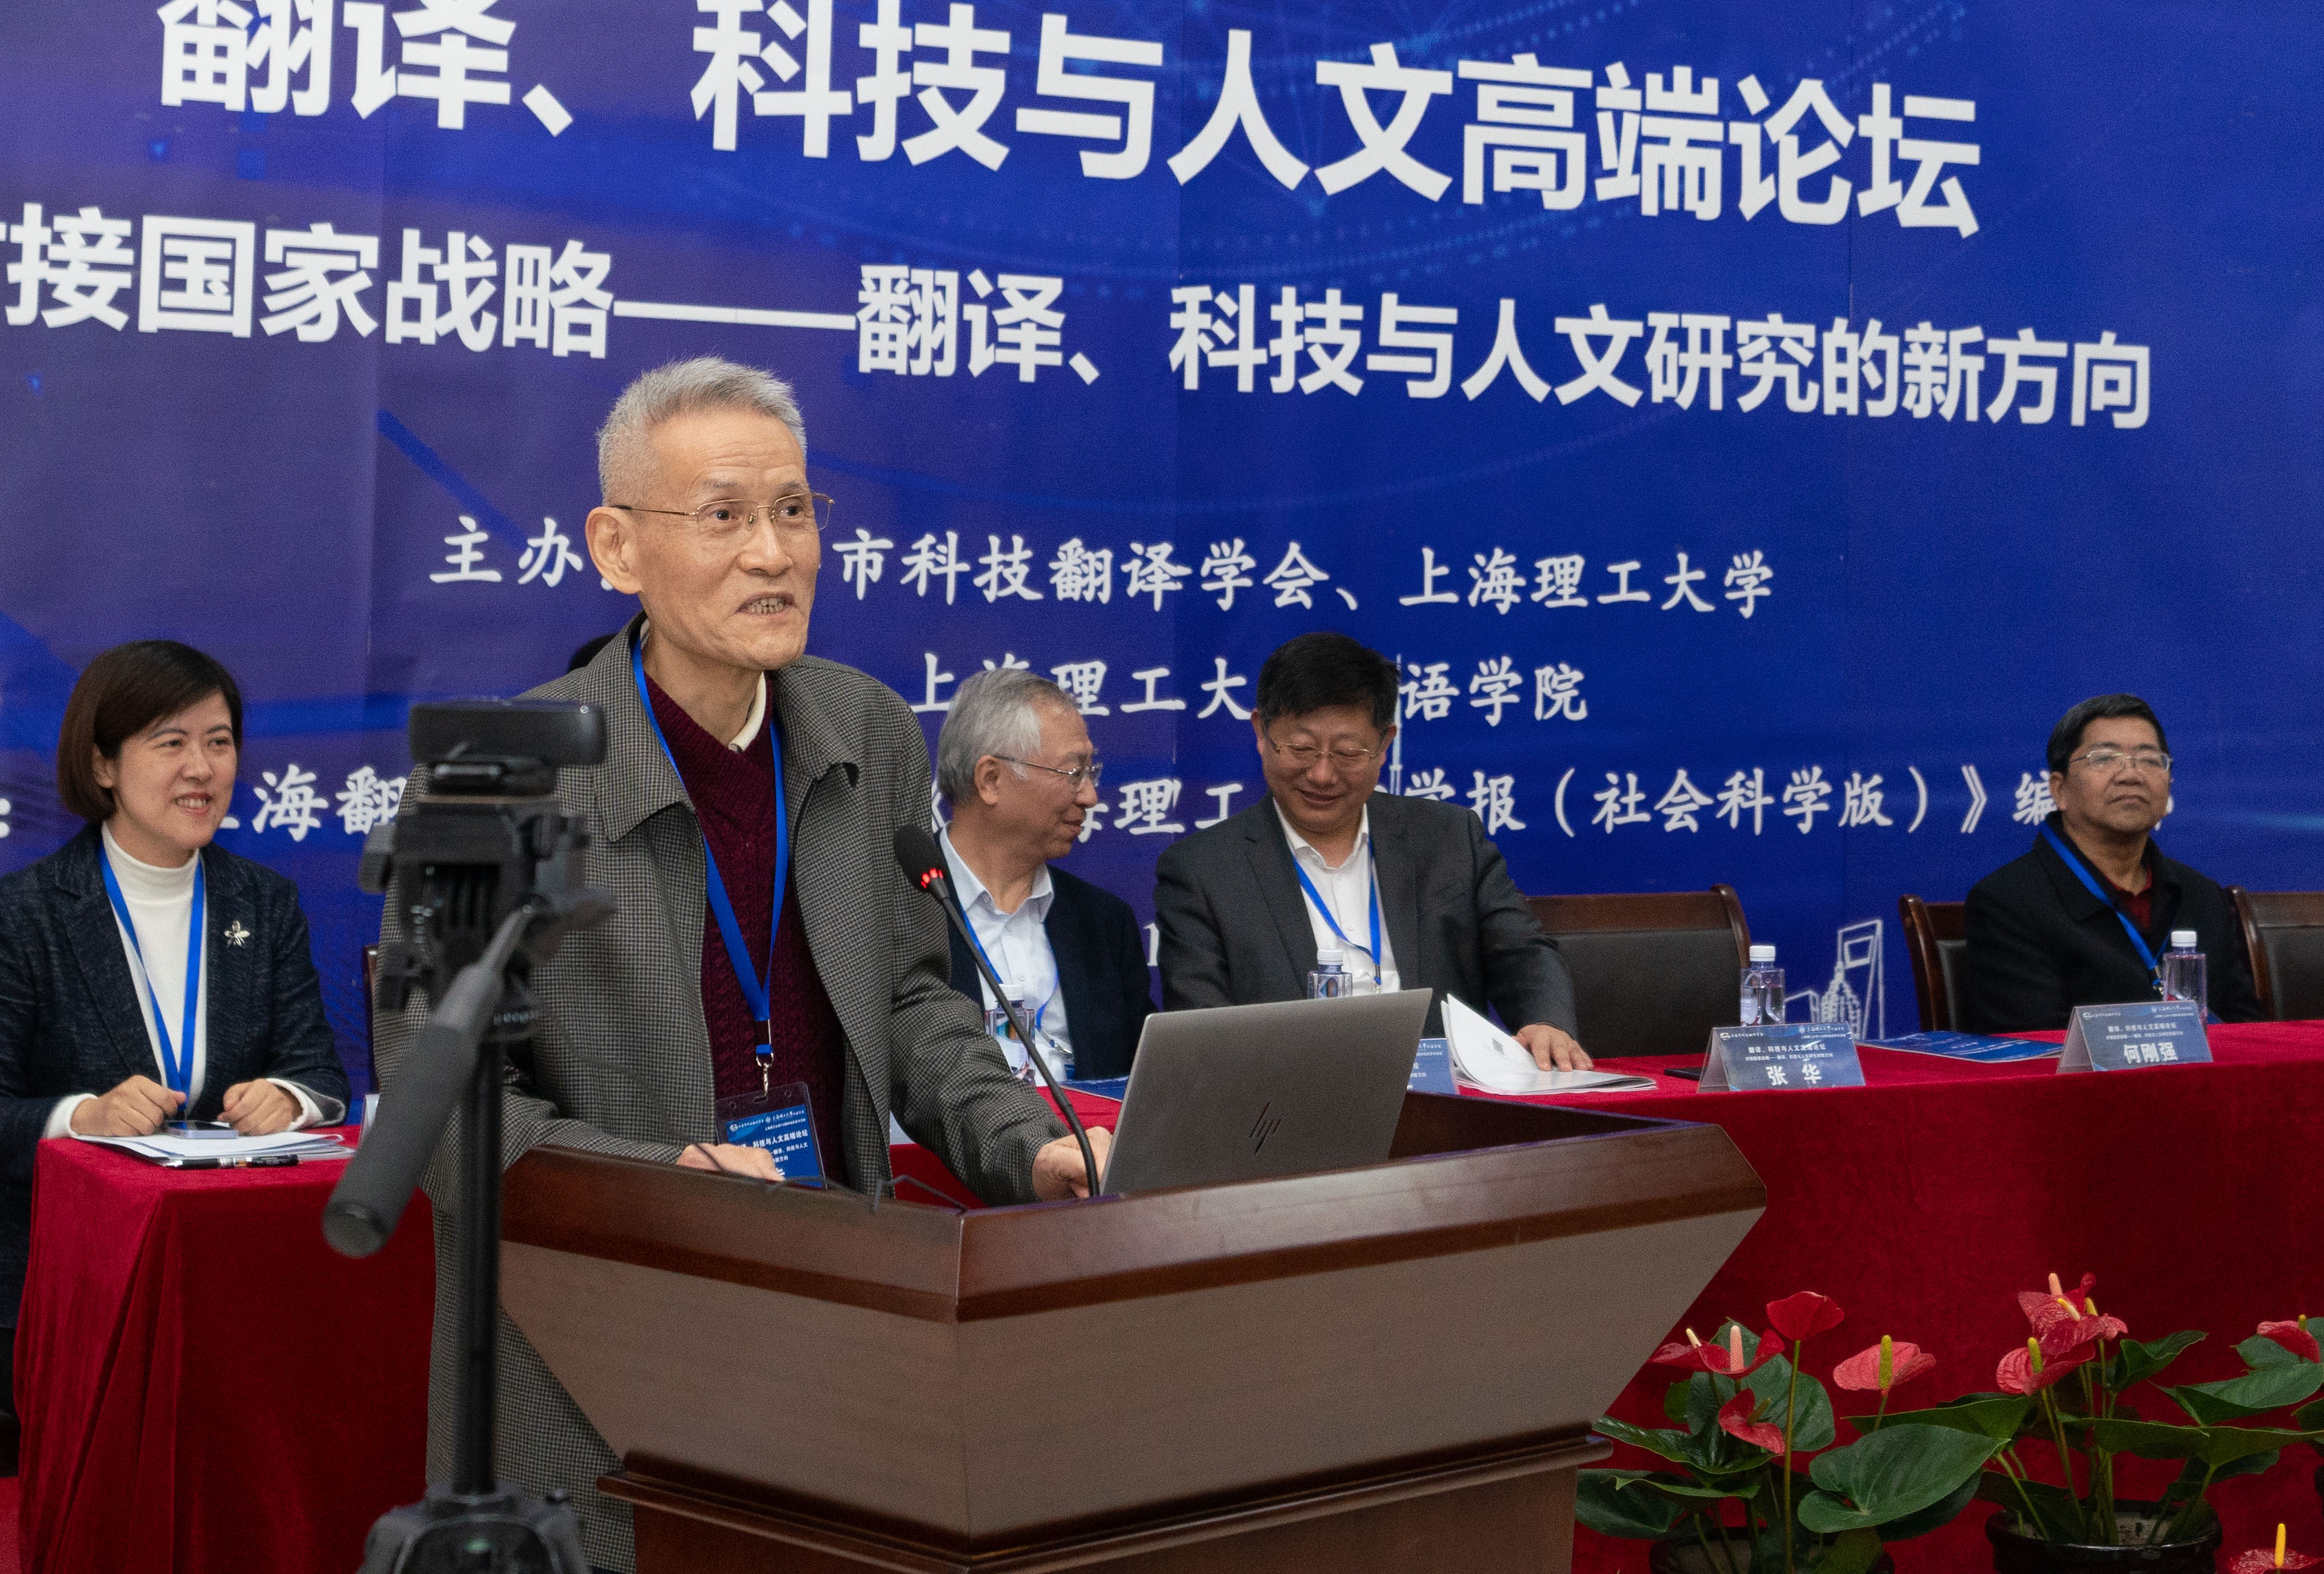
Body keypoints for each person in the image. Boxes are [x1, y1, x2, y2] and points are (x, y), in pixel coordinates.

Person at [382, 356, 1106, 1574]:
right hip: (595, 1344)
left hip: (832, 1309)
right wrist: (663, 1181)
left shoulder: (866, 729)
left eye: (794, 509)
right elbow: (442, 1104)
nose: (774, 552)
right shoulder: (503, 781)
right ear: (616, 547)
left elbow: (910, 995)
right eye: (722, 515)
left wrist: (1023, 1139)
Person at [0, 640, 348, 1412]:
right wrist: (82, 1118)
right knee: (185, 1402)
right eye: (171, 743)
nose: (202, 768)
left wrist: (289, 1098)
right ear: (102, 766)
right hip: (60, 1291)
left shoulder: (264, 904)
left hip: (227, 1277)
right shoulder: (25, 913)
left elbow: (321, 1075)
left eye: (218, 742)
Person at [1153, 631, 1588, 1066]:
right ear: (1261, 733)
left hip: (1441, 1097)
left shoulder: (1449, 838)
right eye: (1301, 748)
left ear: (1384, 745)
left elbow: (1522, 952)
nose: (1322, 775)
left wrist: (1545, 1022)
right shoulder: (1203, 871)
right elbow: (1203, 1033)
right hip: (1290, 1095)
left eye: (1348, 753)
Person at [1960, 693, 2261, 1031]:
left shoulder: (2202, 896)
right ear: (2059, 790)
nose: (2131, 775)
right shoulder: (2009, 902)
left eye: (2150, 760)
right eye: (2104, 758)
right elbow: (2036, 1044)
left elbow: (2249, 1031)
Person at [935, 664, 1154, 1083]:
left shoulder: (1104, 924)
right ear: (991, 779)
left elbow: (1144, 1084)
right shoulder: (897, 908)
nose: (1090, 796)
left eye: (1091, 772)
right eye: (1073, 774)